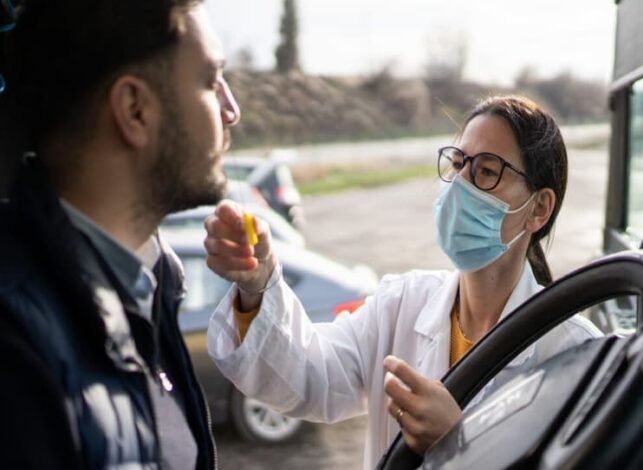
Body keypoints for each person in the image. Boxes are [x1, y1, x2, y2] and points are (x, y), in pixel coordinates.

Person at [206, 96, 601, 468]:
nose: (460, 185)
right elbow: (308, 378)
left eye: (486, 171)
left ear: (539, 208)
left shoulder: (574, 353)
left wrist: (460, 445)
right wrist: (257, 286)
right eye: (458, 164)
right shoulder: (402, 304)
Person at [0, 0, 240, 468]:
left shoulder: (151, 287)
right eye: (211, 81)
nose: (231, 111)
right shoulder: (16, 351)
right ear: (135, 110)